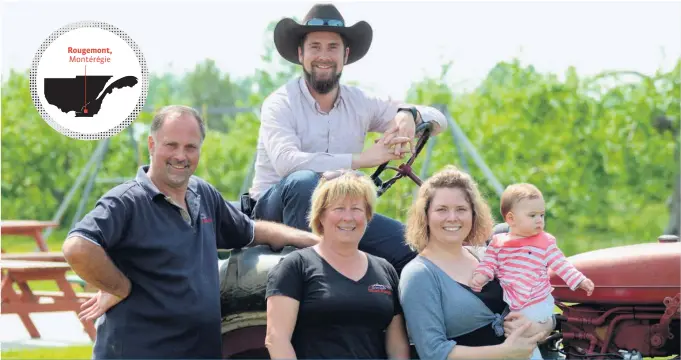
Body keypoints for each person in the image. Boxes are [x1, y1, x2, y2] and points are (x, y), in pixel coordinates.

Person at [61, 105, 320, 359]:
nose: (181, 155)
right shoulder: (127, 201)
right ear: (151, 145)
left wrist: (316, 242)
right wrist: (119, 287)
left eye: (190, 147)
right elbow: (78, 247)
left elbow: (251, 231)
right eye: (171, 145)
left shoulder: (203, 194)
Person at [248, 3, 449, 275]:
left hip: (342, 210)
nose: (324, 56)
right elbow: (288, 163)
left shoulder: (360, 101)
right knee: (304, 183)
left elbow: (437, 119)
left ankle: (393, 315)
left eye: (332, 47)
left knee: (413, 248)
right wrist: (362, 160)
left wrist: (407, 115)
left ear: (345, 54)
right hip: (277, 209)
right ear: (300, 53)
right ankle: (310, 281)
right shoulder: (279, 103)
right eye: (315, 47)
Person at [398, 166, 555, 360]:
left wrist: (543, 325)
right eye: (442, 210)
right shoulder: (419, 274)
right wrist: (504, 353)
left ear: (474, 214)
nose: (452, 218)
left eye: (461, 209)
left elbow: (541, 305)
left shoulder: (489, 255)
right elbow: (433, 352)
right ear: (425, 216)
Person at [264, 169, 410, 359]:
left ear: (367, 217)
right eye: (339, 208)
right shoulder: (295, 266)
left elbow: (397, 346)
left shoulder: (385, 270)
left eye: (356, 209)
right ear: (321, 216)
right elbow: (276, 339)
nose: (348, 217)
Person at [469, 183, 595, 359]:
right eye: (533, 215)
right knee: (516, 336)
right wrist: (481, 276)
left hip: (537, 300)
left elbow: (561, 264)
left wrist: (579, 280)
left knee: (521, 335)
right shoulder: (498, 243)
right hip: (514, 302)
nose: (539, 220)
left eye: (542, 215)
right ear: (511, 219)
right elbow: (489, 263)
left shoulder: (544, 242)